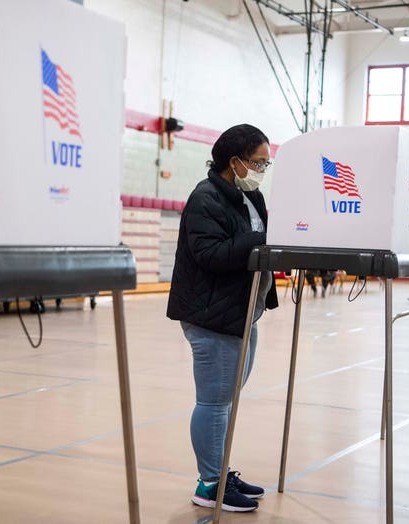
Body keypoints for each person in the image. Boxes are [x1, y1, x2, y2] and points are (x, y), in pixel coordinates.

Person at [166, 124, 278, 513]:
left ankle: (219, 470)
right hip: (212, 316)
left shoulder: (251, 197)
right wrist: (264, 239)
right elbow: (210, 254)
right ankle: (209, 484)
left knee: (226, 400)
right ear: (235, 162)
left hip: (242, 312)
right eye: (258, 162)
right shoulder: (206, 198)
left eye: (266, 162)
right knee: (213, 403)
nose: (263, 169)